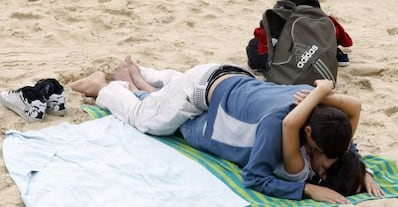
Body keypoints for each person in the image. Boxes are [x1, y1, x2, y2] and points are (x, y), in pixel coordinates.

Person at [70, 56, 381, 203]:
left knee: (165, 105)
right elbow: (254, 177)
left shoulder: (315, 109)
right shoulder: (280, 125)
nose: (322, 170)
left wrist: (359, 170)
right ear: (310, 135)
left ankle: (144, 78)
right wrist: (307, 190)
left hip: (229, 81)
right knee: (146, 121)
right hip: (202, 91)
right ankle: (104, 87)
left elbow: (342, 141)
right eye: (326, 162)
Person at [246, 0, 353, 71]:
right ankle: (334, 52)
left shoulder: (276, 17)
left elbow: (262, 36)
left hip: (289, 59)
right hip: (315, 47)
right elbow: (346, 40)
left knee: (254, 45)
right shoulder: (324, 20)